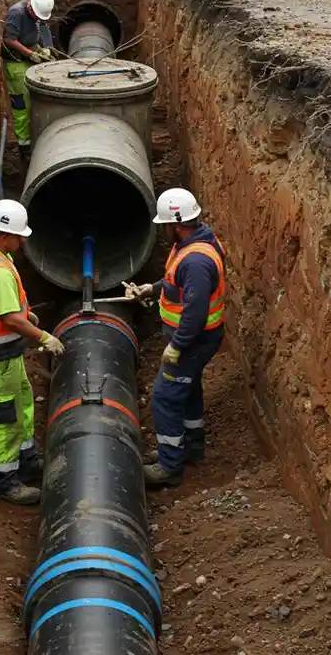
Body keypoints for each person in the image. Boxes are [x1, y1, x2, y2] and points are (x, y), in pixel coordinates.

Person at [0, 199, 66, 505]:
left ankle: (27, 460)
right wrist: (43, 336)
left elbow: (5, 306)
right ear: (6, 235)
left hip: (5, 352)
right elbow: (9, 318)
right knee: (4, 416)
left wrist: (25, 313)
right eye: (20, 237)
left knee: (22, 399)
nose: (23, 242)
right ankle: (5, 480)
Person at [124, 188, 227, 487]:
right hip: (200, 339)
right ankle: (191, 448)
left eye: (164, 225)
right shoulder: (196, 243)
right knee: (188, 388)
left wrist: (176, 346)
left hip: (194, 340)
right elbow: (176, 281)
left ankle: (170, 466)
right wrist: (152, 288)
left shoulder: (195, 262)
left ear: (176, 225)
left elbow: (195, 313)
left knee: (166, 397)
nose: (163, 230)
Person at [1, 0, 56, 162]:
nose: (38, 19)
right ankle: (24, 146)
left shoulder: (37, 13)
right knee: (22, 105)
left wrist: (44, 47)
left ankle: (40, 134)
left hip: (29, 56)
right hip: (16, 62)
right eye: (37, 16)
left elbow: (43, 29)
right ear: (30, 7)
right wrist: (30, 54)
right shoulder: (16, 13)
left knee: (40, 94)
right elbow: (8, 39)